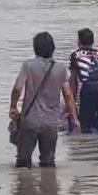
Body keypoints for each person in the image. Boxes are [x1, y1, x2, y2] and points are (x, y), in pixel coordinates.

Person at [10, 32, 79, 169]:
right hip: (51, 122)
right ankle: (49, 187)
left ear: (35, 48)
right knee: (48, 162)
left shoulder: (28, 66)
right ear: (52, 48)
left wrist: (13, 107)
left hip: (30, 121)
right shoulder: (61, 68)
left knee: (23, 162)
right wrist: (74, 118)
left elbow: (18, 88)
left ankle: (24, 187)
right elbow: (68, 95)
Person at [68, 28, 98, 133]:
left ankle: (89, 147)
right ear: (93, 41)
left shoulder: (75, 55)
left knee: (86, 127)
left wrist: (72, 103)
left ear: (79, 41)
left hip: (88, 89)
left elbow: (73, 82)